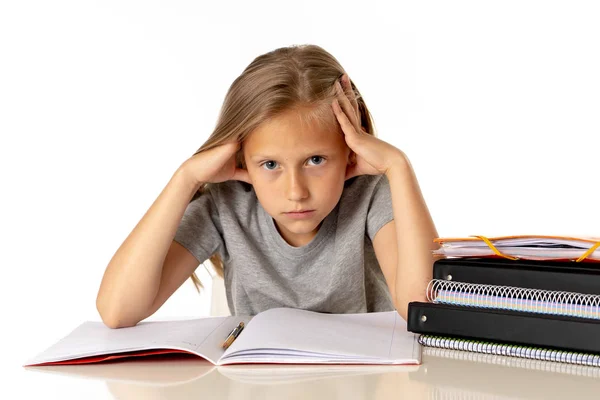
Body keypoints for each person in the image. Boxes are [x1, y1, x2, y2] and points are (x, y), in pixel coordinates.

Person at [96, 44, 439, 329]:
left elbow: (420, 307)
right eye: (271, 165)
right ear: (242, 158)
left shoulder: (371, 194)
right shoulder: (227, 204)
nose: (296, 192)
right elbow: (117, 311)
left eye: (316, 160)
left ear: (350, 150)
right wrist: (185, 178)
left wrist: (398, 167)